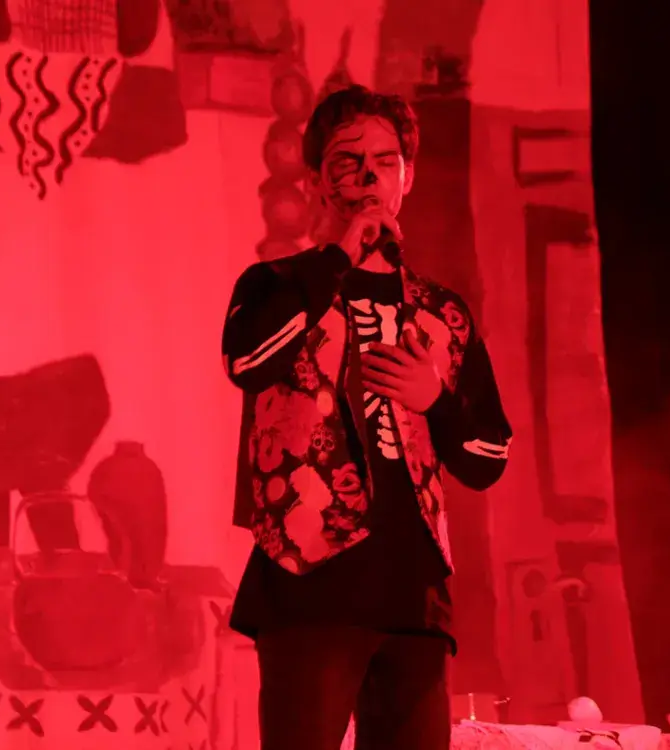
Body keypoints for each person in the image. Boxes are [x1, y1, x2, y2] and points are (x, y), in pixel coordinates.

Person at [221, 85, 513, 750]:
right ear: (316, 181)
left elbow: (488, 456)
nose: (368, 177)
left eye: (385, 161)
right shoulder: (275, 285)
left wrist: (436, 401)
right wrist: (337, 257)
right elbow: (248, 361)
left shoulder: (442, 311)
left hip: (413, 597)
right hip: (309, 586)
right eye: (348, 162)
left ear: (407, 177)